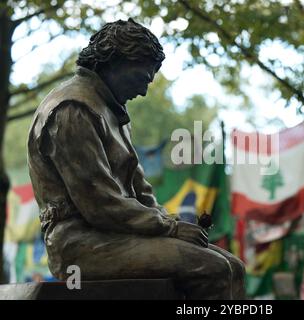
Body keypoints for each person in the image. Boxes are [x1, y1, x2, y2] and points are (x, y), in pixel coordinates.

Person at [27, 18, 245, 299]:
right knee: (210, 267)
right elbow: (100, 204)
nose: (143, 91)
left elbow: (141, 192)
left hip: (116, 233)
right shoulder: (73, 109)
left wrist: (173, 223)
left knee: (234, 266)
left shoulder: (113, 112)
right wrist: (170, 227)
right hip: (80, 243)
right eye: (142, 78)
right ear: (116, 61)